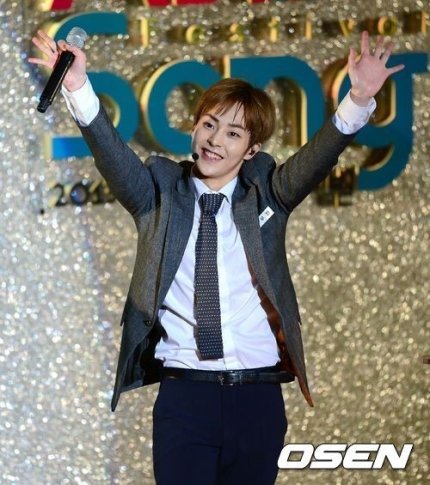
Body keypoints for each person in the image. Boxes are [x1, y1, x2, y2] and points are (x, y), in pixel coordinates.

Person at [29, 30, 404, 484]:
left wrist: (360, 97)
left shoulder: (268, 194)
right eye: (209, 124)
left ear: (251, 150)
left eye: (233, 133)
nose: (215, 140)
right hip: (186, 397)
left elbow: (318, 156)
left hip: (257, 398)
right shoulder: (158, 194)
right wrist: (77, 86)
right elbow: (111, 155)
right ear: (194, 127)